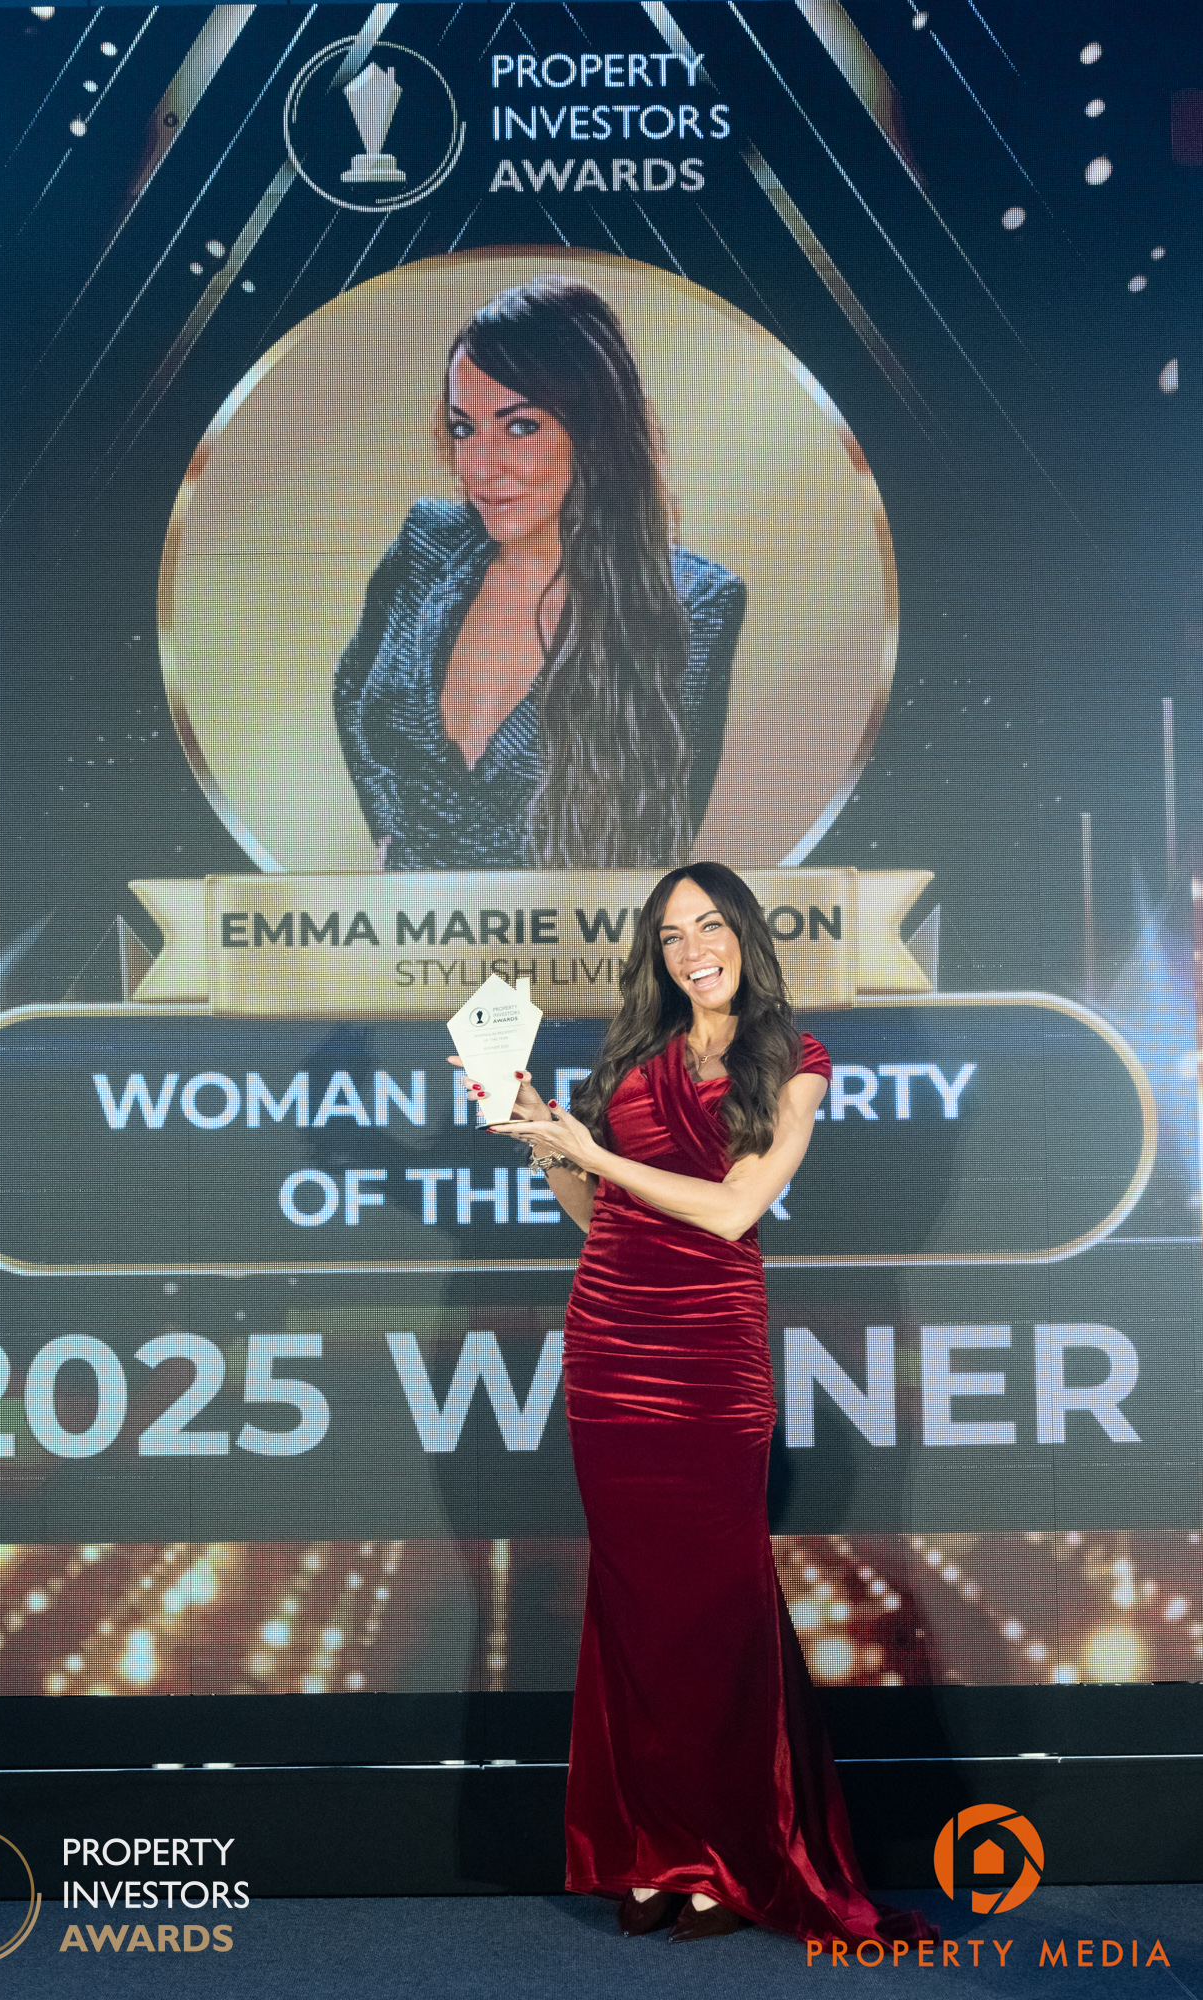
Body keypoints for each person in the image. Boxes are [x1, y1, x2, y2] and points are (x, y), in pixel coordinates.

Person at [453, 862, 936, 1948]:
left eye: (708, 925)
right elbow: (598, 1216)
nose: (691, 949)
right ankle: (650, 1845)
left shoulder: (794, 1060)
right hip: (609, 1344)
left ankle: (730, 1850)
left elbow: (730, 1210)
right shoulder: (635, 1056)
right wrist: (540, 1132)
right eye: (671, 935)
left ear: (744, 934)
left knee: (714, 1607)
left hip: (709, 1355)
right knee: (634, 1605)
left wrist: (591, 1149)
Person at [333, 278, 746, 871]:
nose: (481, 467)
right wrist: (387, 840)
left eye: (521, 426)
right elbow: (352, 687)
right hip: (406, 925)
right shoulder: (426, 545)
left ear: (594, 430)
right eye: (463, 428)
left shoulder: (694, 602)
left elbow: (661, 837)